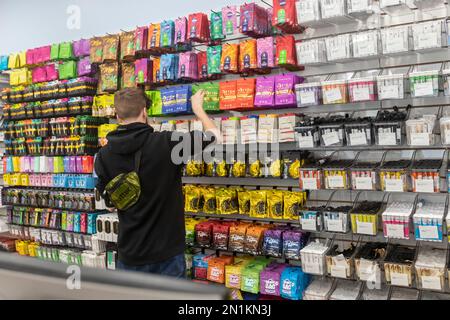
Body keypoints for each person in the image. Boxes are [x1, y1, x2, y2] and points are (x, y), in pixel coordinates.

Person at [94, 88, 218, 278]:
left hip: (130, 254)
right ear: (145, 112)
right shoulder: (166, 143)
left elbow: (109, 204)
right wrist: (198, 109)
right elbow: (213, 136)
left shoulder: (103, 156)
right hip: (166, 255)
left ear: (118, 116)